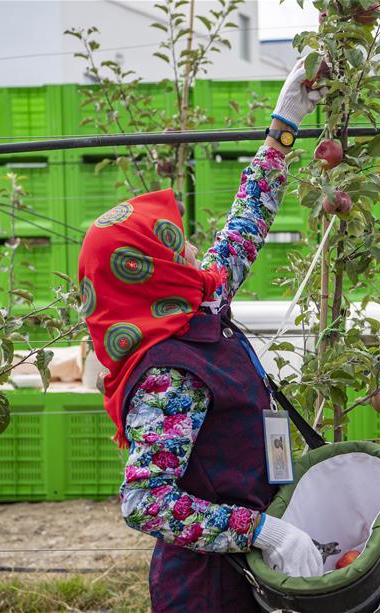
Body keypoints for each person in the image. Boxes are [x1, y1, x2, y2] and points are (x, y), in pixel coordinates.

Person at [78, 60, 327, 612]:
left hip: (251, 575)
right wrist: (262, 531)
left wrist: (285, 123)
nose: (192, 245)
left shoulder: (197, 305)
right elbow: (146, 501)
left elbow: (242, 229)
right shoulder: (169, 375)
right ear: (152, 271)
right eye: (174, 243)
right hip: (210, 593)